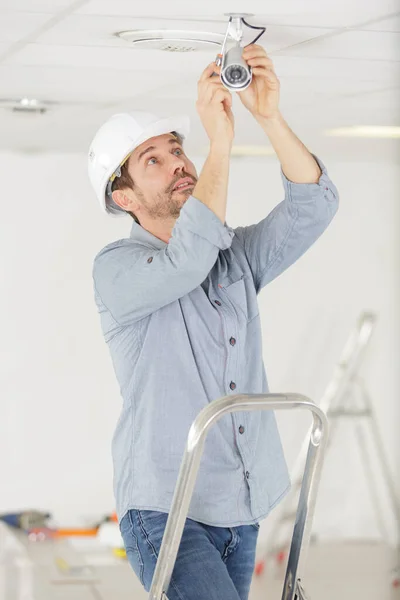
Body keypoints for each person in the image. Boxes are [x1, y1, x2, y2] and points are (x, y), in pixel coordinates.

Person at [87, 44, 339, 600]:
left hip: (240, 505)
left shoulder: (233, 257)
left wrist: (266, 116)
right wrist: (220, 139)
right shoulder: (116, 271)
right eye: (153, 159)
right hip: (164, 508)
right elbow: (188, 259)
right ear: (124, 196)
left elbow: (313, 207)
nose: (179, 160)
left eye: (177, 148)